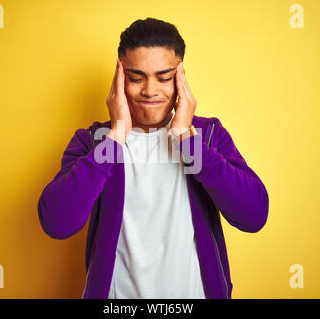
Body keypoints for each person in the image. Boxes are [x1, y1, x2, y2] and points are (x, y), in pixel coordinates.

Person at [37, 17, 269, 299]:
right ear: (119, 77)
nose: (149, 90)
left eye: (164, 77)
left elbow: (253, 215)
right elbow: (57, 223)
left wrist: (186, 139)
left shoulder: (206, 137)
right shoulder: (95, 141)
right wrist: (117, 135)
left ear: (180, 76)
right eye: (136, 78)